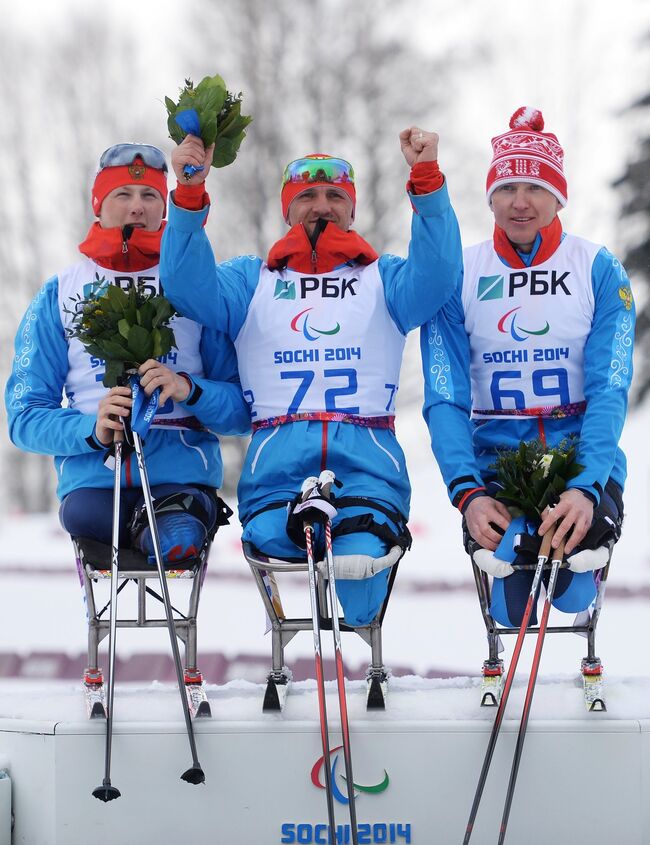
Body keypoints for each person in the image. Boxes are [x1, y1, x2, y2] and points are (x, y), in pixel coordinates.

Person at [160, 128, 462, 627]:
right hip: (276, 474)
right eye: (307, 197)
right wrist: (189, 195)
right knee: (283, 544)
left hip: (367, 472)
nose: (321, 206)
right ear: (287, 208)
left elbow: (439, 276)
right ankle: (287, 642)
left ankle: (364, 639)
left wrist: (426, 180)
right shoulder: (250, 279)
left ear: (352, 208)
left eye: (334, 196)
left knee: (360, 580)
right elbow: (187, 287)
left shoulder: (383, 278)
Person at [421, 107, 635, 627]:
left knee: (572, 594)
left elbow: (610, 387)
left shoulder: (598, 267)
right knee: (510, 610)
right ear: (490, 195)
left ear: (559, 196)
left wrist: (586, 487)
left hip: (580, 461)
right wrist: (466, 493)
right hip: (496, 467)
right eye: (507, 187)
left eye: (536, 187)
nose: (520, 202)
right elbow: (444, 395)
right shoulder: (459, 274)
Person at [6, 143, 251, 563]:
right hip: (95, 483)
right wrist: (93, 428)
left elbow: (242, 410)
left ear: (165, 207)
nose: (137, 207)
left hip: (181, 480)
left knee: (181, 524)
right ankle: (151, 525)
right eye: (123, 195)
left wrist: (189, 389)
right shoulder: (60, 292)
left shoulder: (194, 290)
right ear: (98, 205)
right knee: (89, 515)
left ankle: (163, 523)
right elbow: (24, 417)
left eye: (150, 195)